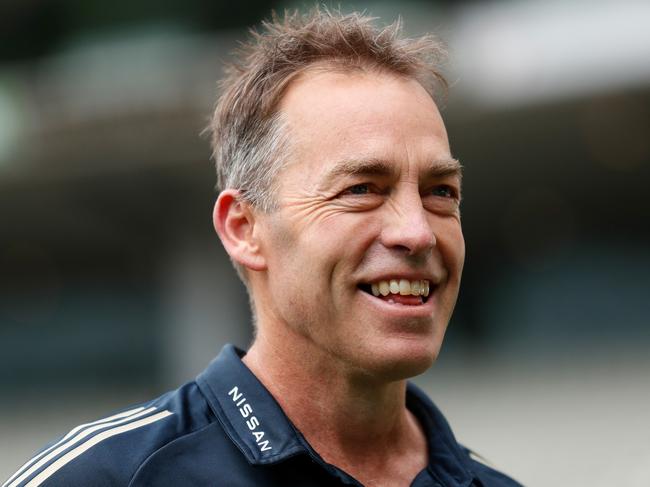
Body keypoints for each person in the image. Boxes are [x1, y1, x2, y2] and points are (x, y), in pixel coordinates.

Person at [5, 8, 522, 487]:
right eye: (361, 189)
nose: (417, 231)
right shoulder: (107, 477)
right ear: (244, 229)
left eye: (440, 192)